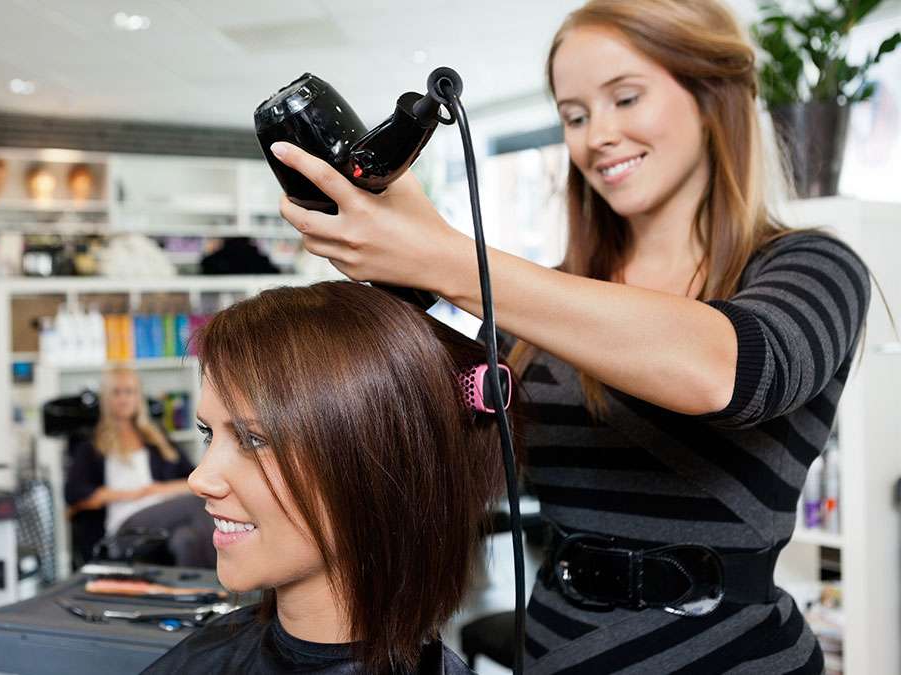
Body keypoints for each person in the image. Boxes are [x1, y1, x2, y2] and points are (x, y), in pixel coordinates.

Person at [267, 0, 872, 672]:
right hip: (557, 650)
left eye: (625, 98)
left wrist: (444, 258)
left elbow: (724, 371)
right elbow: (455, 459)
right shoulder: (542, 305)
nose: (597, 136)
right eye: (575, 115)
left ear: (712, 96)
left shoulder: (813, 267)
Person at [143, 281, 507, 674]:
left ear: (373, 466)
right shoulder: (214, 650)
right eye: (207, 433)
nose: (200, 478)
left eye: (252, 440)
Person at [63, 368, 215, 568]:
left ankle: (198, 595)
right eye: (117, 392)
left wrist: (158, 490)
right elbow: (75, 494)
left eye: (130, 392)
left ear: (138, 397)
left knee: (186, 539)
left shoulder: (156, 439)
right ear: (107, 398)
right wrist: (132, 494)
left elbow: (194, 479)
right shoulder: (91, 445)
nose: (124, 399)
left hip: (164, 519)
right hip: (125, 527)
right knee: (199, 504)